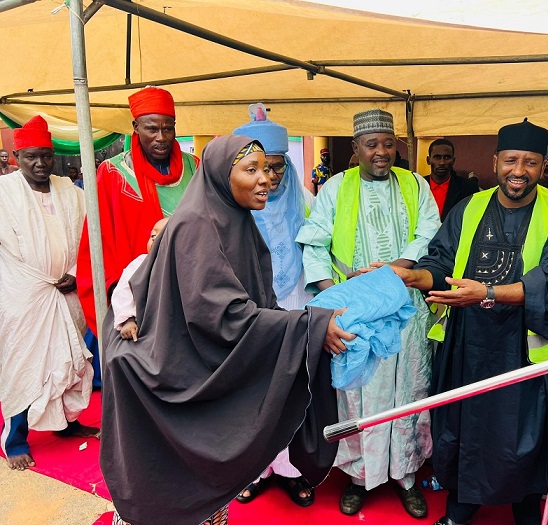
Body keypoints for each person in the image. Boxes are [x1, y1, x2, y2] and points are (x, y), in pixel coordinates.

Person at [102, 135, 354, 525]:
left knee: (211, 502)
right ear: (222, 174)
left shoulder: (236, 219)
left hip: (209, 360)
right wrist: (311, 325)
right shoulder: (197, 225)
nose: (265, 179)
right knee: (181, 492)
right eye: (251, 170)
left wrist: (304, 326)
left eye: (267, 169)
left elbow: (257, 301)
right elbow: (221, 317)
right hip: (179, 367)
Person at [382, 118, 548, 525]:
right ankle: (460, 509)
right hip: (468, 343)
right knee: (467, 429)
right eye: (511, 160)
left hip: (526, 348)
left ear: (543, 165)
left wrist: (489, 293)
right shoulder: (469, 207)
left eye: (530, 162)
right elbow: (441, 263)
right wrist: (411, 276)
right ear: (495, 161)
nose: (519, 171)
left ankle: (526, 512)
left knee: (524, 438)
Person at [296, 108, 440, 518]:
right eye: (371, 144)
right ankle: (359, 477)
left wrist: (395, 270)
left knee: (408, 390)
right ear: (355, 148)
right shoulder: (335, 187)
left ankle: (406, 475)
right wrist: (336, 299)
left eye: (388, 144)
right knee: (358, 396)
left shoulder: (415, 184)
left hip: (404, 306)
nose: (381, 152)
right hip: (355, 310)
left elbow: (429, 233)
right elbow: (315, 244)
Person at [0, 116, 98, 471]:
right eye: (31, 157)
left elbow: (89, 236)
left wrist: (76, 272)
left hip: (68, 293)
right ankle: (15, 440)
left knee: (69, 361)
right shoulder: (4, 193)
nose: (40, 163)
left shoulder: (70, 191)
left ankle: (67, 423)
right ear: (17, 157)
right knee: (24, 365)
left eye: (46, 155)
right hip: (24, 295)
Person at [231, 104, 317, 507]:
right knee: (253, 390)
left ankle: (293, 469)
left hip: (297, 300)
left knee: (295, 386)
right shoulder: (234, 206)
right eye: (261, 167)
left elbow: (321, 247)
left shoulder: (305, 198)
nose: (271, 176)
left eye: (279, 166)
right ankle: (255, 469)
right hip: (251, 308)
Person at [76, 86, 199, 334]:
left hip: (189, 282)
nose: (161, 137)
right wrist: (119, 294)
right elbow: (99, 238)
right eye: (152, 129)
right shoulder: (112, 173)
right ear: (136, 127)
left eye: (168, 128)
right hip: (136, 291)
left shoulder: (194, 166)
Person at [111, 217, 169, 342]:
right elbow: (123, 292)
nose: (154, 240)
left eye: (163, 236)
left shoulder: (182, 266)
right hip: (141, 327)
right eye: (153, 235)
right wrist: (128, 320)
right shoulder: (139, 264)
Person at [425, 138, 479, 221]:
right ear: (428, 160)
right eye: (437, 157)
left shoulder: (468, 188)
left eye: (447, 157)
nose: (442, 162)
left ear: (453, 161)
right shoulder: (418, 186)